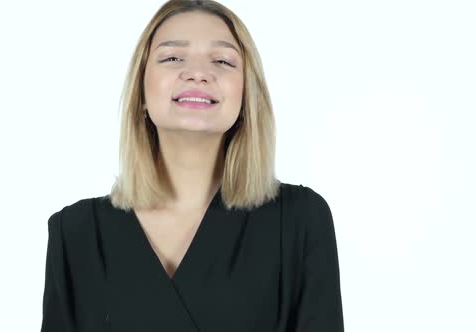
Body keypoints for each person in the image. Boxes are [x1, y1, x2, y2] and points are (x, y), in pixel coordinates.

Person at [40, 0, 344, 331]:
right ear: (141, 92)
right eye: (172, 57)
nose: (198, 72)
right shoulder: (77, 233)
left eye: (222, 60)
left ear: (246, 95)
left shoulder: (299, 220)